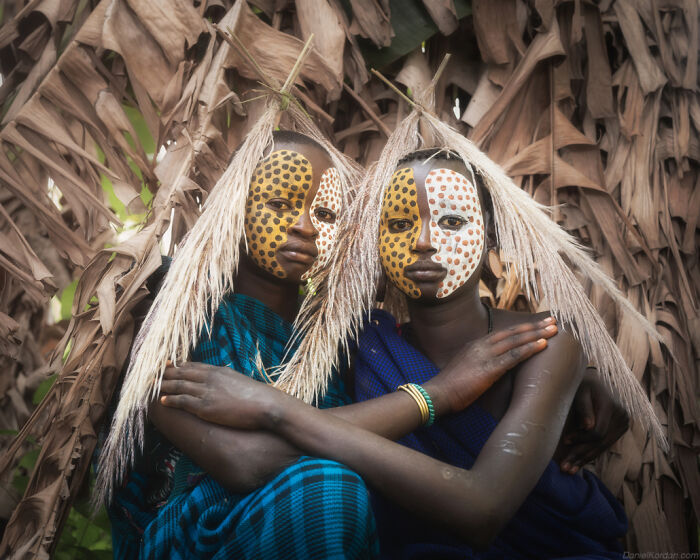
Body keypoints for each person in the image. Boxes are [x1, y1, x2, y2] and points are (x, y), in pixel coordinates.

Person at [159, 148, 640, 559]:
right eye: (400, 223)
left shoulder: (544, 342)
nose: (425, 241)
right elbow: (268, 459)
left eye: (452, 221)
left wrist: (273, 406)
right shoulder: (352, 344)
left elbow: (481, 512)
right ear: (376, 241)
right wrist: (435, 394)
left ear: (489, 233)